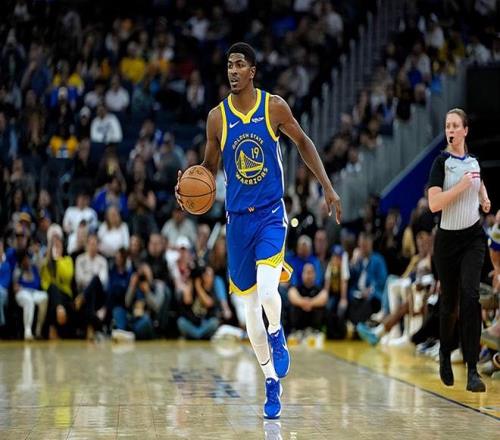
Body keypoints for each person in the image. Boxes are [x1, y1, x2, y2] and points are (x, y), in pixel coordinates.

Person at [176, 42, 342, 419]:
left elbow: (303, 142)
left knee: (268, 292)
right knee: (249, 308)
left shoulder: (274, 107)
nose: (232, 71)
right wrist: (188, 189)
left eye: (239, 64)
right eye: (229, 65)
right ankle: (270, 380)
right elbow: (208, 169)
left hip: (270, 214)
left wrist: (328, 187)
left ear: (252, 70)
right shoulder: (217, 118)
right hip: (237, 221)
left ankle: (278, 332)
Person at [427, 108, 491, 392]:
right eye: (447, 126)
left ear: (465, 130)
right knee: (449, 304)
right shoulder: (441, 163)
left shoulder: (474, 161)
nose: (450, 130)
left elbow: (478, 181)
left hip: (473, 238)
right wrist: (462, 187)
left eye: (455, 125)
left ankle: (472, 370)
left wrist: (484, 197)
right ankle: (444, 353)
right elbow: (434, 204)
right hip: (447, 241)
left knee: (471, 296)